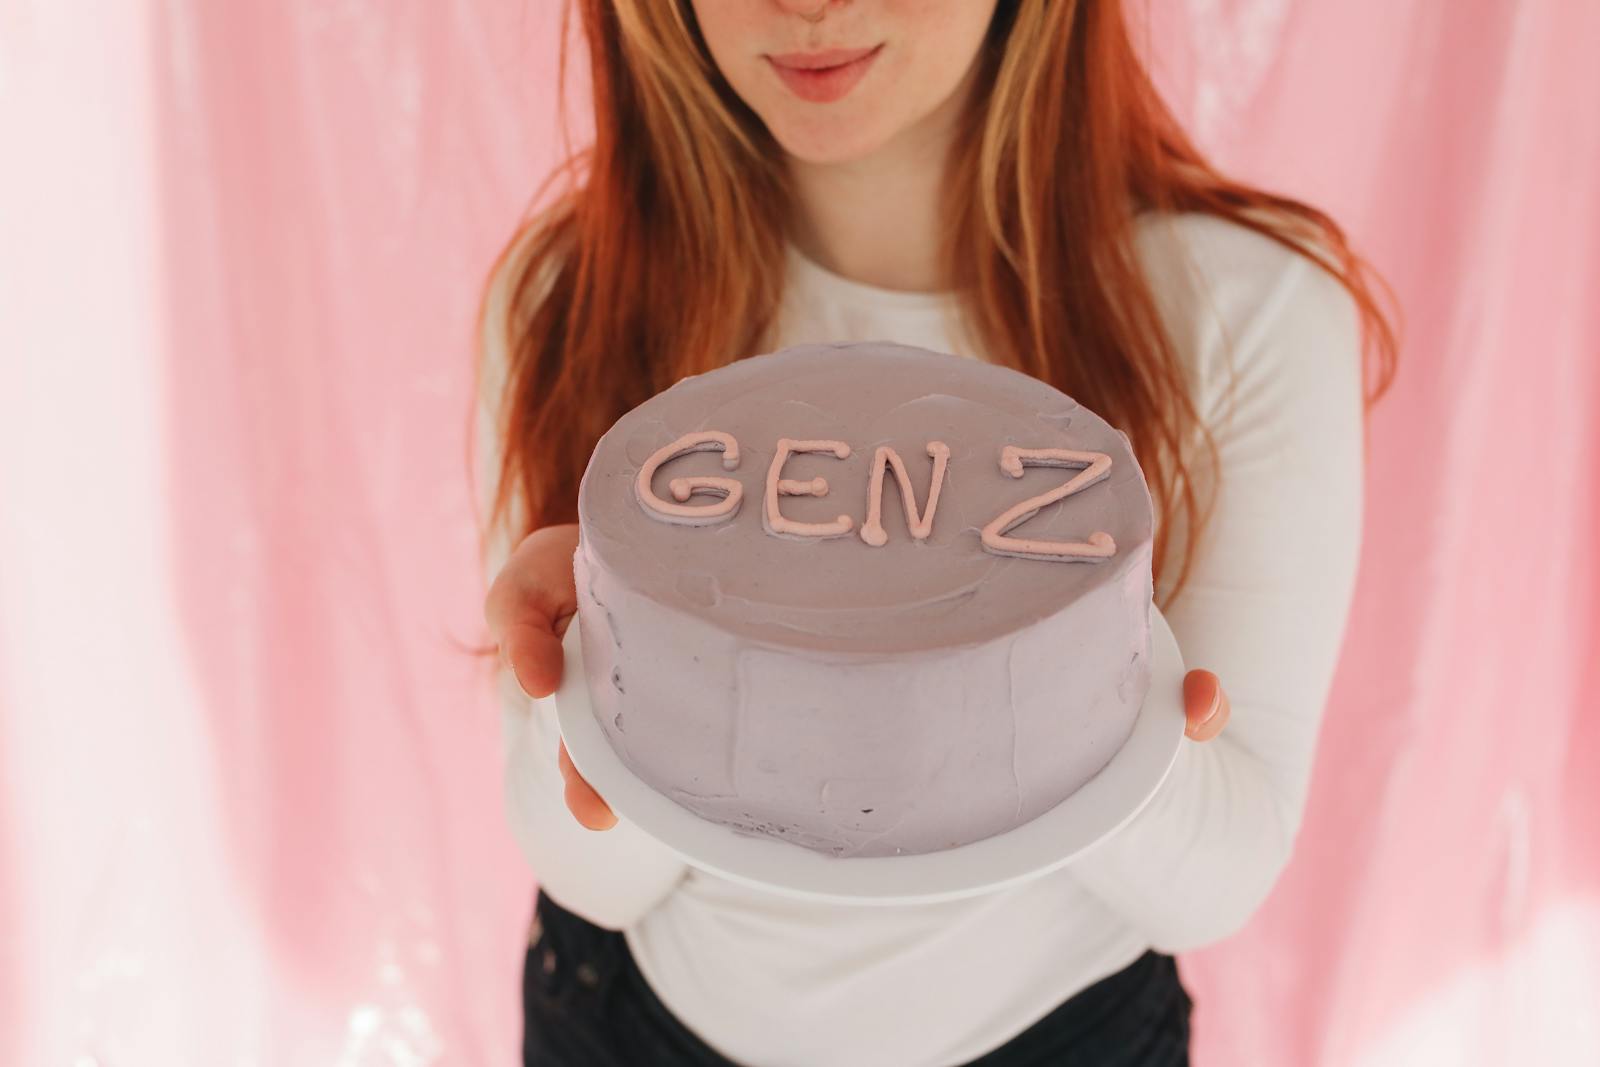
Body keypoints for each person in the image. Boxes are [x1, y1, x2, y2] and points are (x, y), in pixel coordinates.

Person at [473, 1, 1398, 1064]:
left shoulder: (1247, 308)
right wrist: (600, 662)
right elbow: (592, 875)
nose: (805, 6)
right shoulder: (567, 299)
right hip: (630, 1024)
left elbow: (1214, 878)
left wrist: (1074, 696)